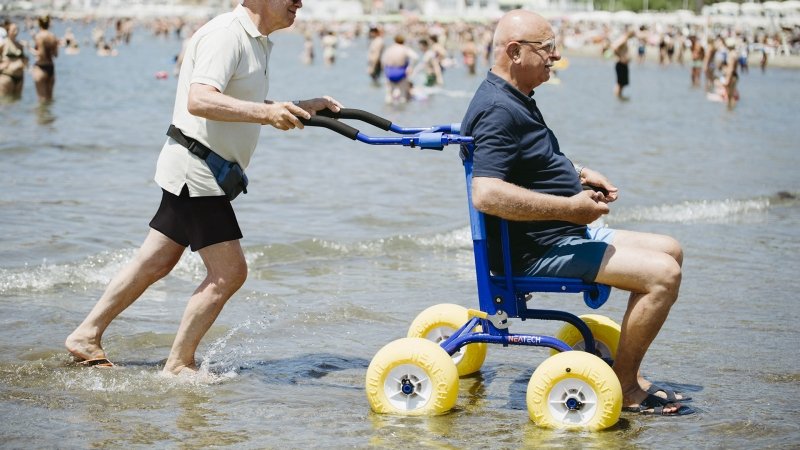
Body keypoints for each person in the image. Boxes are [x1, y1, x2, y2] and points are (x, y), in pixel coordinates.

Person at [65, 0, 342, 377]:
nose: (300, 2)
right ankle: (179, 363)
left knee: (156, 260)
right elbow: (200, 99)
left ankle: (87, 334)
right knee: (230, 272)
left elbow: (237, 101)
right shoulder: (227, 34)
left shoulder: (256, 40)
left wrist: (299, 106)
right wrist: (265, 114)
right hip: (197, 170)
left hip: (199, 167)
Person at [461, 9, 693, 417]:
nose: (555, 58)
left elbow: (536, 159)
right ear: (515, 52)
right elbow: (486, 193)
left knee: (671, 249)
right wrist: (571, 208)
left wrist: (579, 173)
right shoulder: (498, 109)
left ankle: (628, 374)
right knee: (663, 275)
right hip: (535, 250)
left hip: (561, 235)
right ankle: (624, 386)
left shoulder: (517, 97)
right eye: (547, 49)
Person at [380, 34, 417, 104]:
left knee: (389, 95)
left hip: (389, 71)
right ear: (403, 41)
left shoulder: (389, 49)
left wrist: (385, 72)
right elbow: (415, 57)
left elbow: (383, 61)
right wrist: (410, 67)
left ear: (394, 40)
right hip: (401, 71)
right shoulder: (405, 48)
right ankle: (402, 113)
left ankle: (387, 113)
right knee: (403, 95)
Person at [32, 15, 58, 102]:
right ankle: (49, 115)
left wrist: (31, 49)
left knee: (41, 99)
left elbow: (41, 54)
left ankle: (42, 116)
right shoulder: (53, 36)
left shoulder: (39, 36)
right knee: (49, 99)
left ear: (39, 23)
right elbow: (56, 54)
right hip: (51, 67)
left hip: (41, 67)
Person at [0, 21, 27, 99]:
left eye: (17, 29)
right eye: (14, 29)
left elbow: (23, 59)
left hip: (19, 77)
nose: (16, 31)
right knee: (5, 102)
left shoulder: (20, 45)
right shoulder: (3, 44)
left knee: (16, 102)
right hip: (6, 76)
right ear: (8, 30)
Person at [612, 29, 634, 99]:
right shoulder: (623, 39)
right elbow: (614, 46)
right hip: (621, 63)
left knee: (622, 83)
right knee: (620, 83)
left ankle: (619, 97)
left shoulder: (624, 39)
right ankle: (617, 97)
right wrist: (620, 56)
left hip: (622, 63)